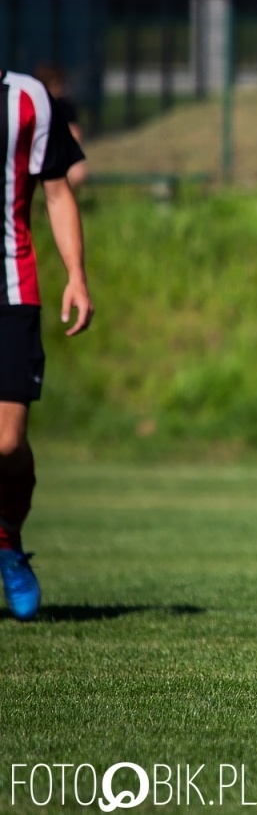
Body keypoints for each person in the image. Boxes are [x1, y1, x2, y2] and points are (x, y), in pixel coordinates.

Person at [1, 69, 93, 621]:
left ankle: (7, 537)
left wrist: (76, 274)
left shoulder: (28, 98)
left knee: (7, 444)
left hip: (11, 289)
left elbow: (58, 193)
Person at [32, 64, 87, 192]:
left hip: (58, 150)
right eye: (57, 84)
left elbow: (75, 132)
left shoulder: (65, 107)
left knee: (77, 174)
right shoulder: (31, 104)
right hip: (35, 150)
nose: (62, 88)